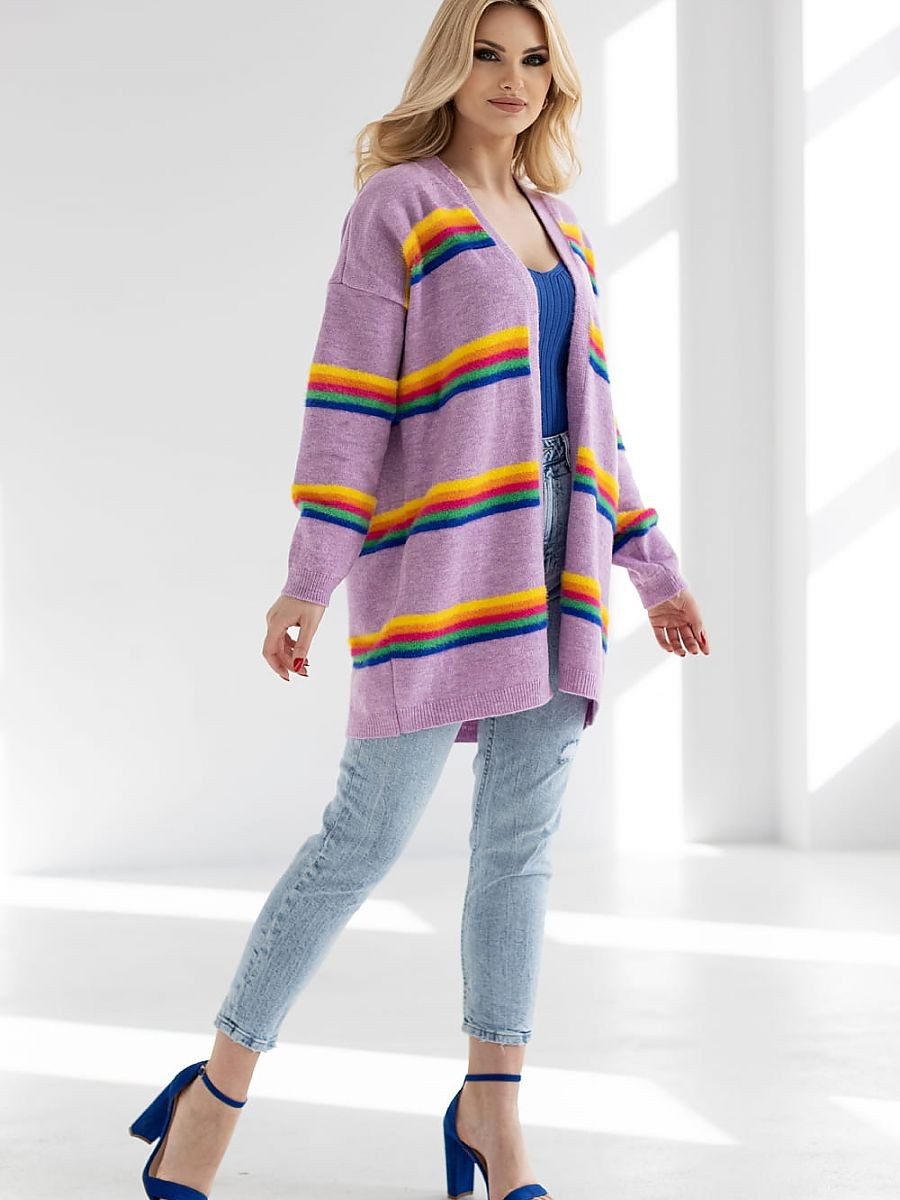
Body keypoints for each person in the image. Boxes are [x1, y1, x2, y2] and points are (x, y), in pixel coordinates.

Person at [128, 2, 710, 1198]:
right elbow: (349, 407)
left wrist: (653, 570)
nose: (511, 78)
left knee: (520, 850)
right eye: (487, 53)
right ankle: (215, 1092)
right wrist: (308, 579)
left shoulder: (564, 228)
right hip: (446, 563)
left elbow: (599, 424)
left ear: (556, 79)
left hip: (559, 564)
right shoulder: (398, 208)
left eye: (534, 58)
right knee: (362, 839)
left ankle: (495, 1112)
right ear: (451, 65)